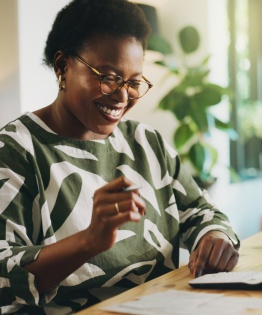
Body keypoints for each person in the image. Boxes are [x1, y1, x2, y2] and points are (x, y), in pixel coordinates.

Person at [0, 0, 240, 313]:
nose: (123, 96)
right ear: (62, 67)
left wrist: (215, 235)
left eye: (134, 82)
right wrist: (89, 241)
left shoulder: (145, 142)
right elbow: (3, 275)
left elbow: (200, 211)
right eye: (109, 76)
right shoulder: (16, 150)